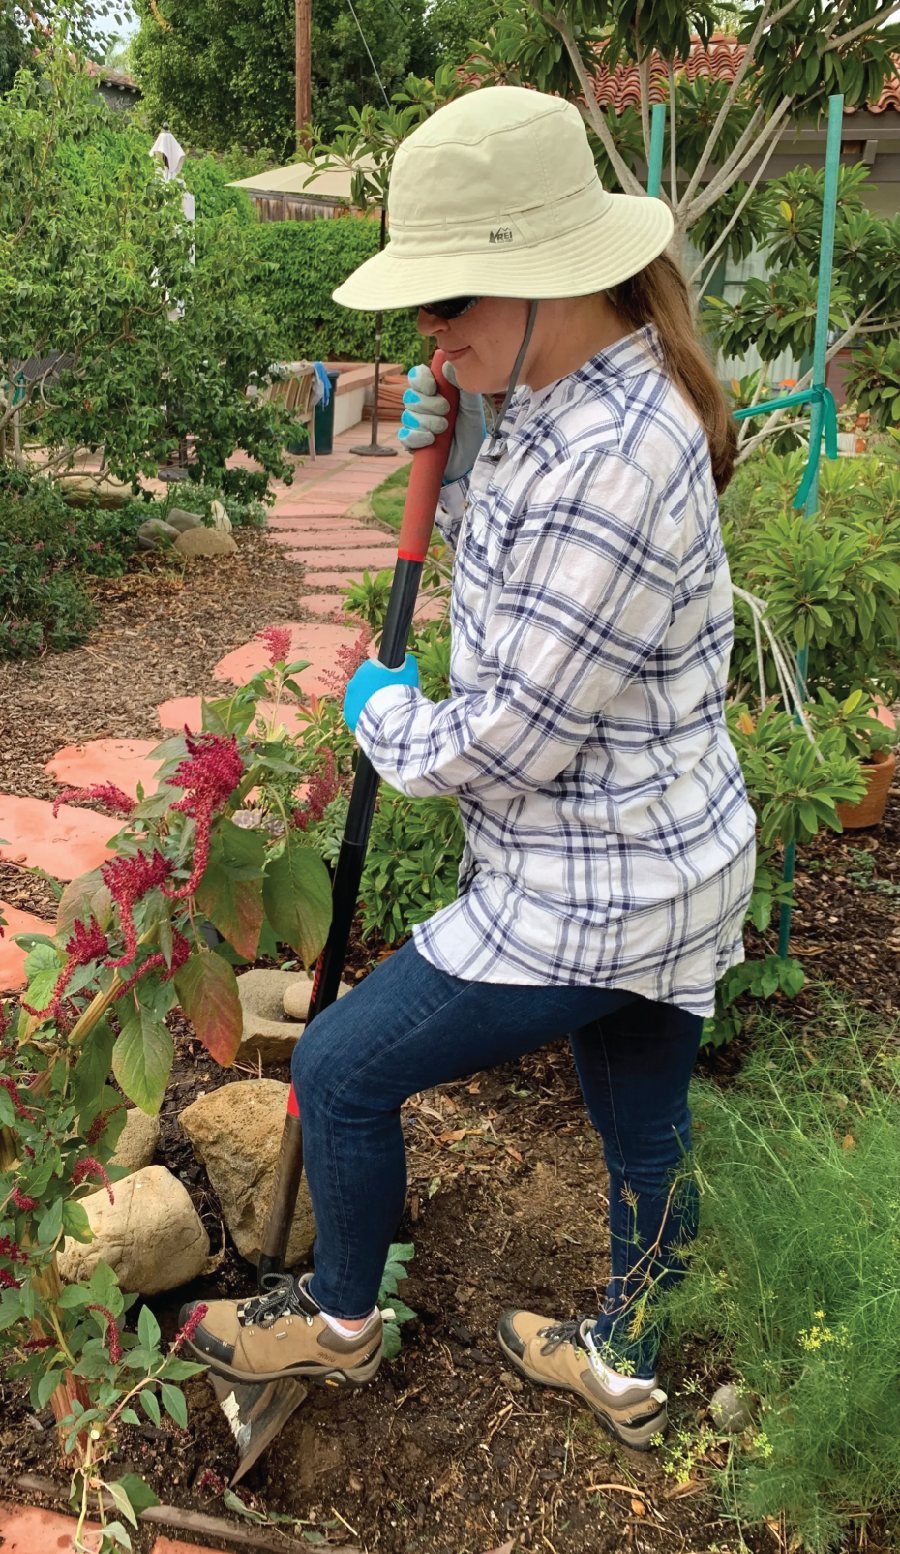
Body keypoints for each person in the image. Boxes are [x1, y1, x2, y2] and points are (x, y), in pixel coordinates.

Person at [181, 85, 756, 1451]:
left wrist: (383, 710)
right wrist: (464, 433)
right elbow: (524, 562)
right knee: (638, 1120)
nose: (430, 337)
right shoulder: (569, 380)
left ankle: (333, 1322)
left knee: (341, 1062)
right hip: (657, 847)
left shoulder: (620, 461)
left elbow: (509, 737)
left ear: (547, 280)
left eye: (451, 308)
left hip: (594, 874)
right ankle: (626, 1358)